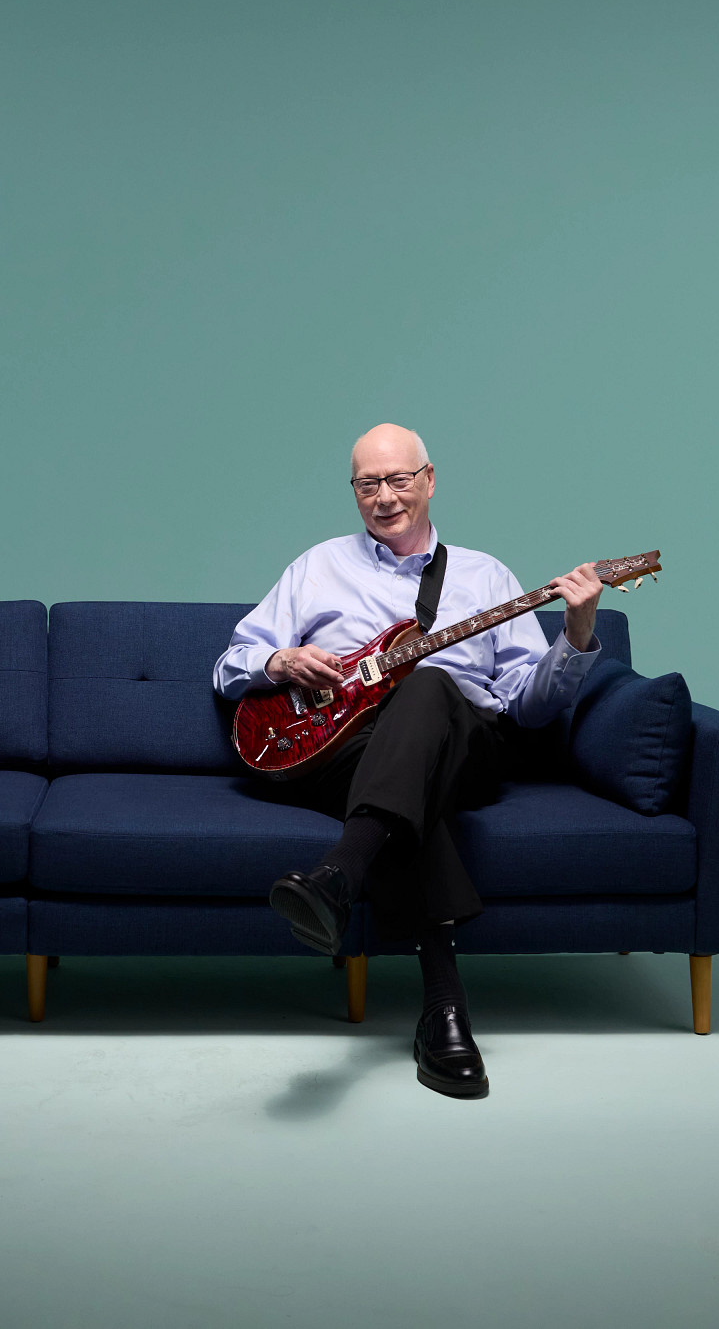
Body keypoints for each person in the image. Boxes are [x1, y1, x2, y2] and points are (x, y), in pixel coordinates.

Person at [212, 425, 606, 1099]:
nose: (385, 496)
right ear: (355, 492)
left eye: (398, 480)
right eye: (369, 484)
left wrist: (576, 632)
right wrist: (280, 660)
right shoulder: (318, 566)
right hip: (342, 750)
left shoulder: (485, 576)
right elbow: (229, 666)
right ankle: (443, 1009)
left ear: (429, 479)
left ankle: (338, 875)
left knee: (425, 685)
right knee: (403, 774)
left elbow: (529, 709)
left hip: (468, 741)